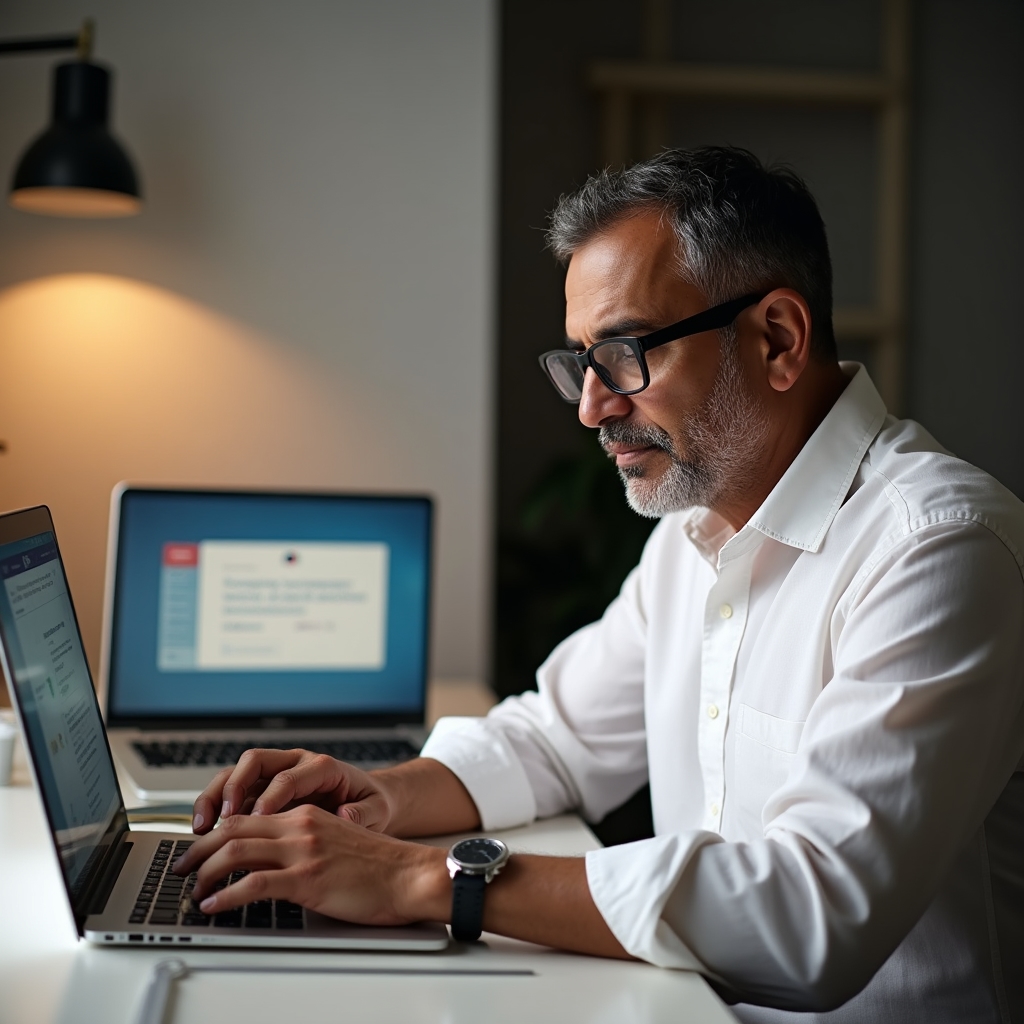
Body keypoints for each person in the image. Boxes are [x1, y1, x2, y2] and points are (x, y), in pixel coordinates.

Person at [173, 147, 1024, 1022]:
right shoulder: (694, 535)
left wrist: (423, 878)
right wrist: (380, 797)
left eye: (623, 353)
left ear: (777, 338)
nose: (591, 406)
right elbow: (557, 737)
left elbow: (811, 916)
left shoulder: (938, 549)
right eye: (580, 360)